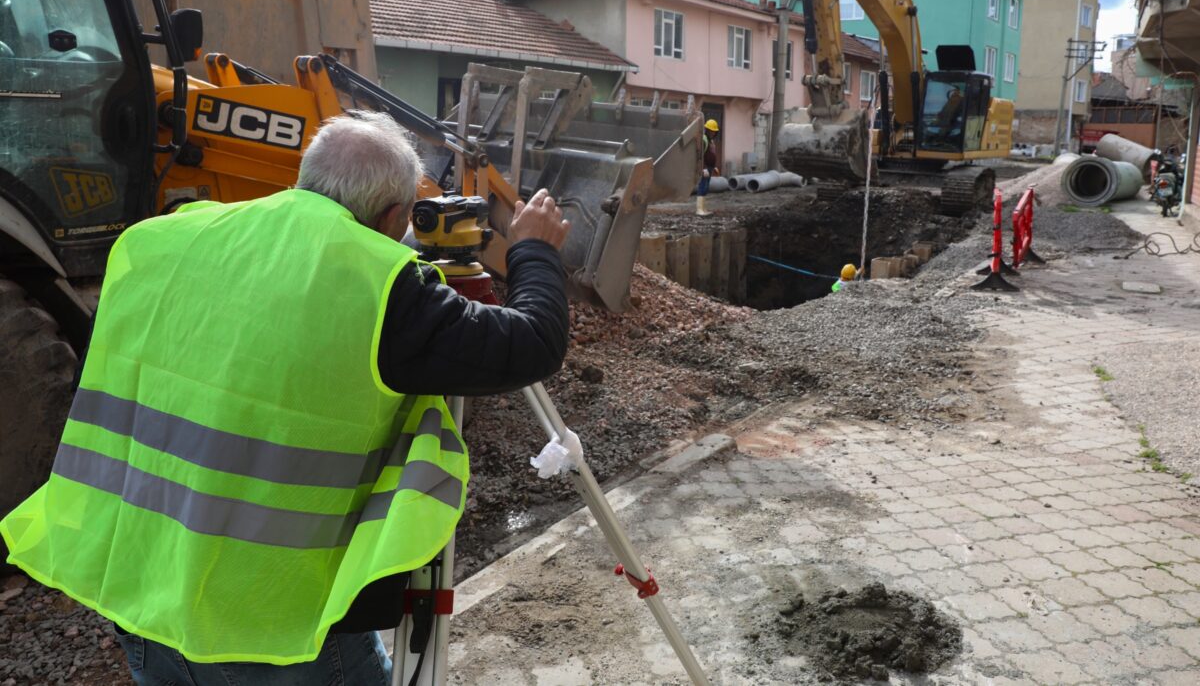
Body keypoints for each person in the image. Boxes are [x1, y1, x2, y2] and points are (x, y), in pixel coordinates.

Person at [0, 112, 572, 685]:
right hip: (274, 636)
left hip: (138, 596)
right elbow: (533, 343)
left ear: (305, 179)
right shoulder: (379, 286)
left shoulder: (159, 242)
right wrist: (534, 253)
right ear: (395, 217)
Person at [696, 117, 720, 217]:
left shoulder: (711, 141)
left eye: (714, 131)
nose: (713, 133)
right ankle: (699, 209)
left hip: (709, 168)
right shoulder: (704, 140)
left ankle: (703, 208)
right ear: (708, 130)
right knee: (702, 186)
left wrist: (714, 167)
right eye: (711, 131)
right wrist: (703, 168)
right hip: (705, 169)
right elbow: (700, 156)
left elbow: (711, 155)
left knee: (706, 188)